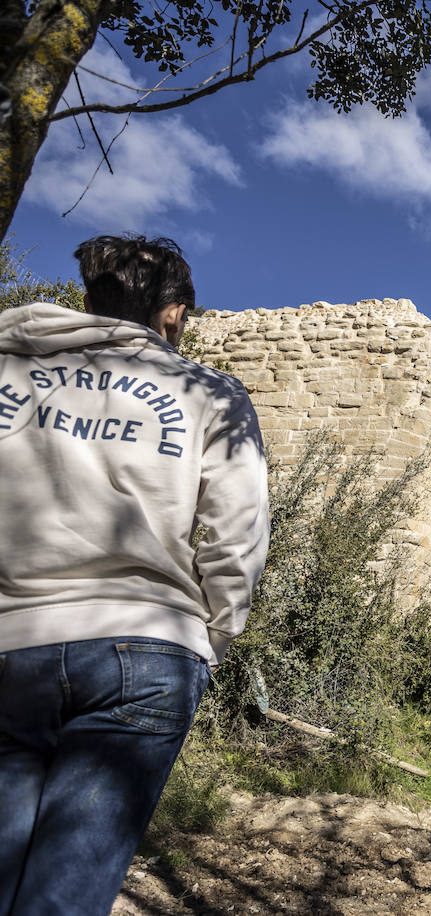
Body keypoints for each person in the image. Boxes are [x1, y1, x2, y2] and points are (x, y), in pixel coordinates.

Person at [0, 235, 270, 915]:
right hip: (146, 648)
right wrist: (214, 641)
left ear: (88, 299)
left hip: (10, 642)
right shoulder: (211, 393)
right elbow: (238, 533)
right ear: (174, 312)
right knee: (64, 899)